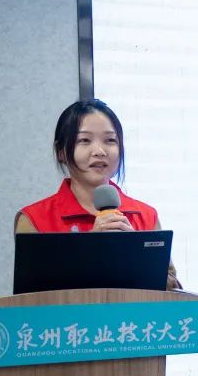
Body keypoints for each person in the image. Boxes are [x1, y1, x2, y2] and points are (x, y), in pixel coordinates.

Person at [15, 98, 181, 290]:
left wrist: (135, 252)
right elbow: (31, 295)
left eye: (110, 140)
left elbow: (173, 290)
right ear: (61, 152)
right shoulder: (34, 219)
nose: (100, 151)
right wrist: (90, 250)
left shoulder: (145, 215)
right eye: (84, 140)